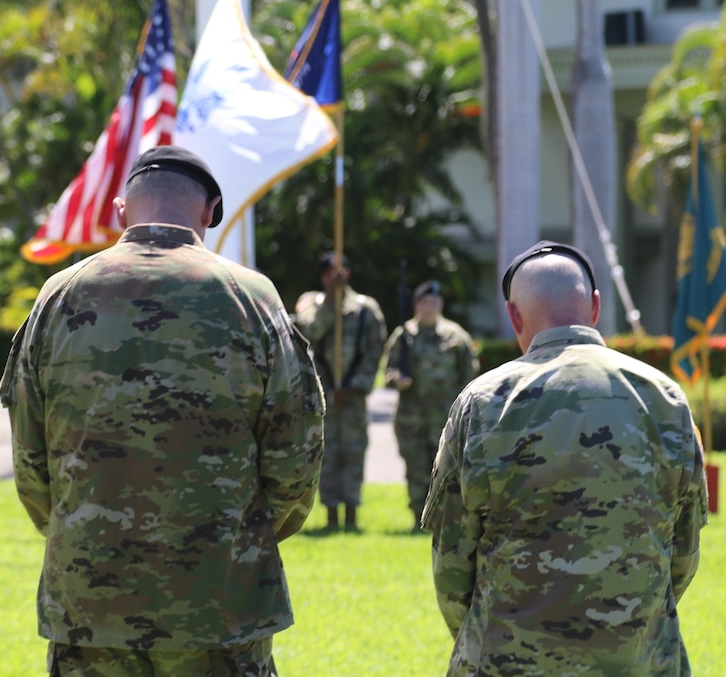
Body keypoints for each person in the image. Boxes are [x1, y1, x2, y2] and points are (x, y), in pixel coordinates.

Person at [0, 145, 324, 677]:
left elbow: (31, 462)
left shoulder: (60, 295)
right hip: (220, 601)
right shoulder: (252, 297)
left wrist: (79, 529)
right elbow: (295, 459)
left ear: (122, 210)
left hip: (90, 602)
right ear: (210, 211)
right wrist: (245, 537)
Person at [423, 241, 709, 675]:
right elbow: (682, 552)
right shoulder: (664, 398)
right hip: (638, 661)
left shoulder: (482, 403)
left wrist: (487, 637)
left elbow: (451, 561)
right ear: (594, 307)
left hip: (508, 660)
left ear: (514, 316)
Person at [294, 253, 386, 530]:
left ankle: (352, 514)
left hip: (352, 394)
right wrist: (331, 302)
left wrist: (356, 384)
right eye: (331, 273)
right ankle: (331, 514)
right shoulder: (314, 304)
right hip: (323, 394)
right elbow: (307, 332)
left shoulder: (365, 309)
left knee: (353, 452)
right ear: (324, 277)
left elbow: (374, 350)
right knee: (327, 453)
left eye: (342, 271)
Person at [384, 280, 477, 528]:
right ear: (416, 305)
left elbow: (471, 378)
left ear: (441, 305)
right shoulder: (403, 336)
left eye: (434, 302)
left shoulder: (456, 337)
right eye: (425, 302)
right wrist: (397, 379)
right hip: (411, 417)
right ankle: (419, 519)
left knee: (447, 471)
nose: (429, 307)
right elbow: (388, 371)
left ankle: (445, 522)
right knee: (416, 470)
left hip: (445, 419)